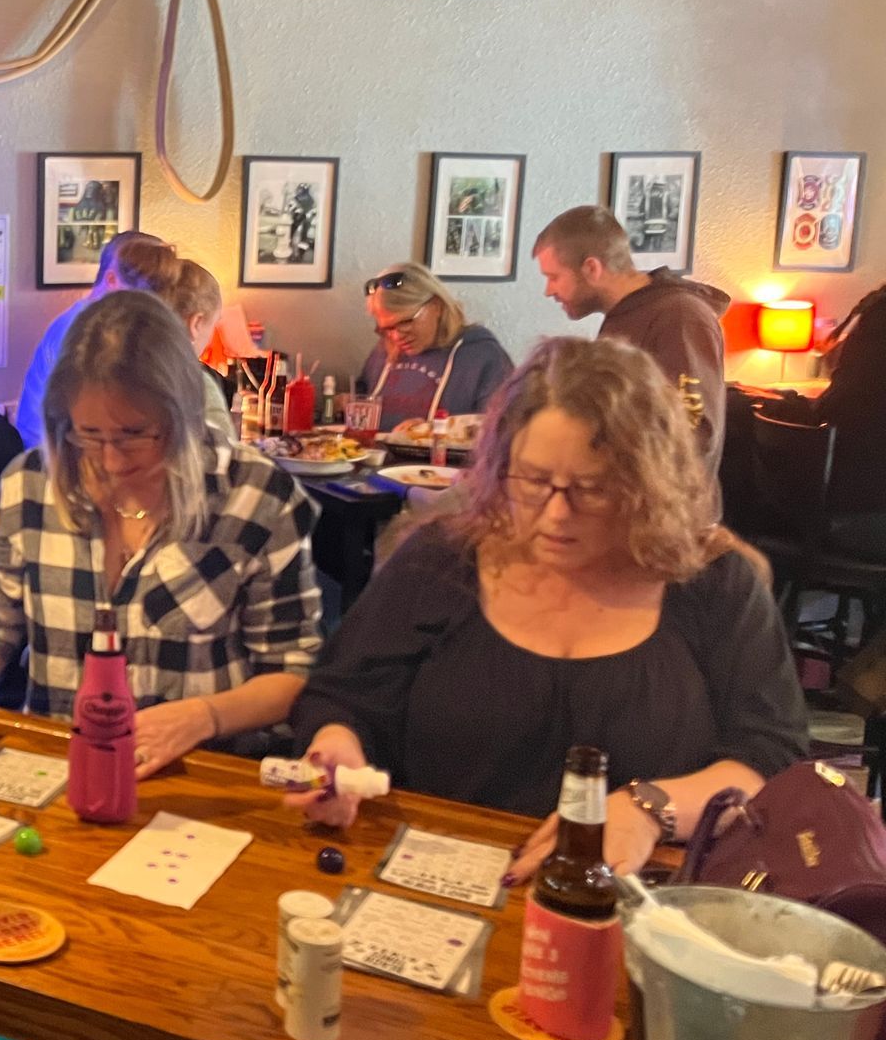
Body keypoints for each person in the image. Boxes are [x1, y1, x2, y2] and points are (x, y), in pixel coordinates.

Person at [286, 337, 808, 880]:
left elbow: (768, 756)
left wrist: (649, 807)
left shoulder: (713, 585)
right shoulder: (441, 560)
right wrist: (336, 750)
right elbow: (343, 696)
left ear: (649, 484)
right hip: (441, 872)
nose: (557, 515)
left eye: (593, 488)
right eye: (534, 481)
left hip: (641, 890)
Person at [0, 291, 323, 778]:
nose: (111, 460)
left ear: (183, 416)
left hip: (203, 774)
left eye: (135, 434)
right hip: (61, 766)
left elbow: (291, 671)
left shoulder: (256, 494)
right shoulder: (29, 487)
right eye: (88, 434)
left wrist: (204, 716)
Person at [532, 205, 729, 473]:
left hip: (667, 509)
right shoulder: (622, 317)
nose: (548, 291)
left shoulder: (680, 317)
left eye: (554, 277)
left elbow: (693, 434)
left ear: (591, 268)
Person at [16, 229, 162, 452]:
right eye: (143, 291)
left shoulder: (95, 322)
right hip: (49, 460)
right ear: (112, 279)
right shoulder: (85, 331)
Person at [355, 264, 514, 433]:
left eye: (405, 322)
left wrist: (430, 431)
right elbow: (363, 397)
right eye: (387, 328)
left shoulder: (483, 357)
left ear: (436, 306)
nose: (396, 336)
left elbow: (500, 433)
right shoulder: (386, 350)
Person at [120, 243, 232, 440]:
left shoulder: (113, 366)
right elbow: (222, 459)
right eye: (214, 324)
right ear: (195, 323)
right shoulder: (195, 382)